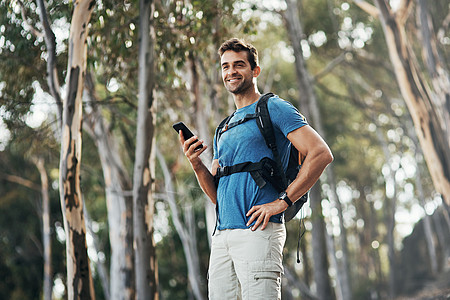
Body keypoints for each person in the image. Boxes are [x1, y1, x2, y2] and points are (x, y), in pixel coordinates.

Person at [178, 38, 333, 300]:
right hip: (223, 238)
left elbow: (320, 153)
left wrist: (282, 202)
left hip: (259, 233)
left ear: (255, 71)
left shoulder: (274, 108)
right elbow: (218, 195)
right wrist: (196, 164)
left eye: (239, 65)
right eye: (226, 66)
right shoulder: (223, 128)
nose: (231, 72)